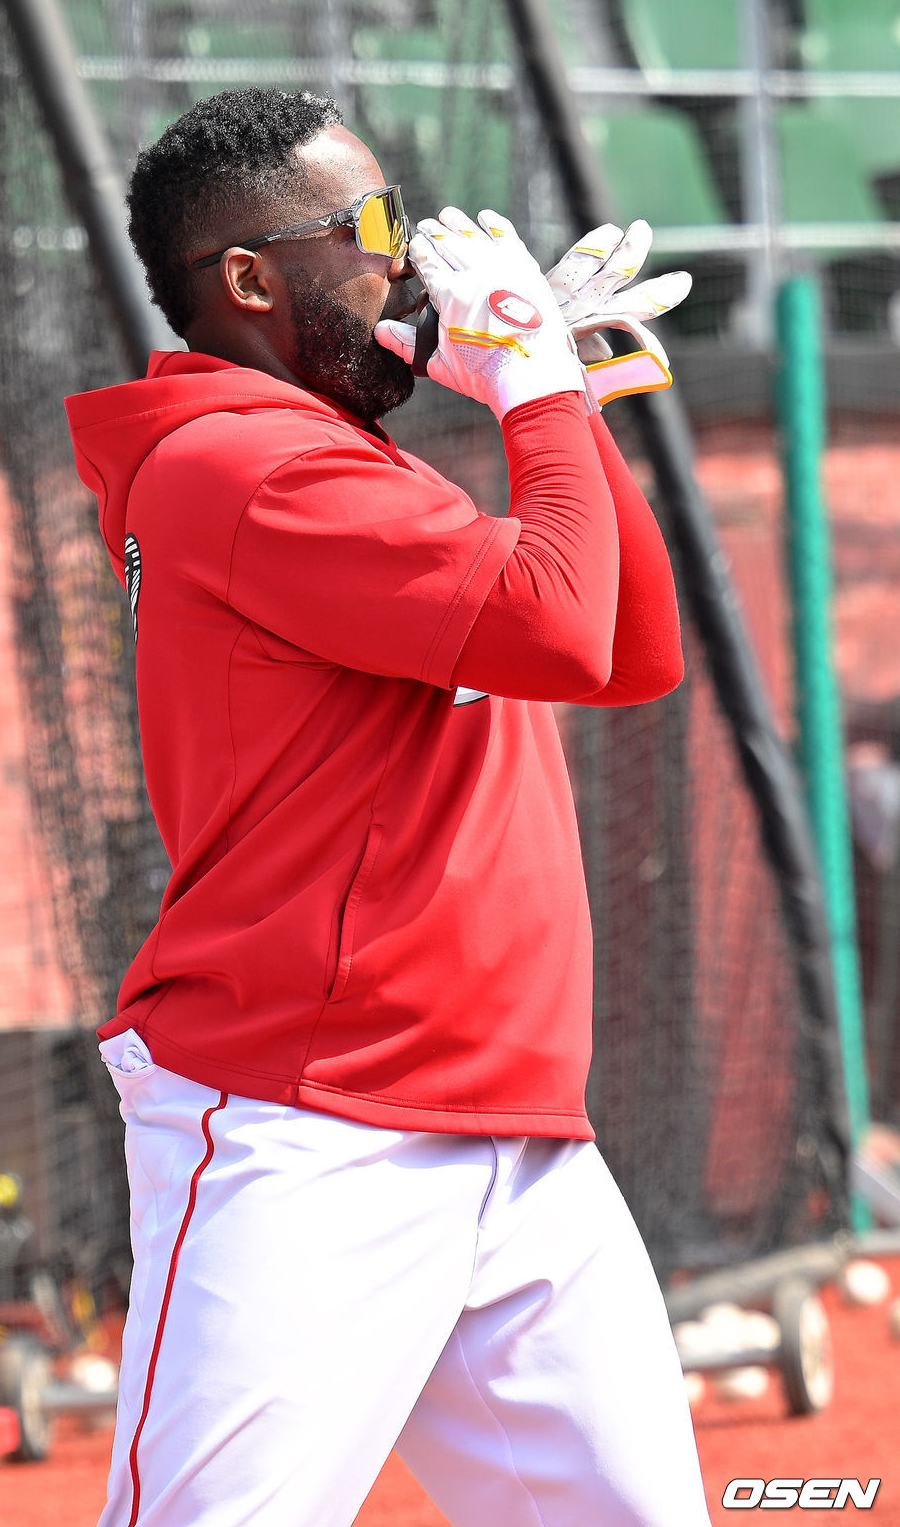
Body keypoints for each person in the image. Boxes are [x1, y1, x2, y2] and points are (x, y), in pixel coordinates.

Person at [65, 86, 711, 1527]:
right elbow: (561, 628)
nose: (405, 258)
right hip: (312, 1122)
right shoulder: (240, 464)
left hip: (516, 1130)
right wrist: (531, 392)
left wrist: (562, 402)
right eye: (367, 225)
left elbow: (627, 652)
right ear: (249, 279)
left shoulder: (341, 463)